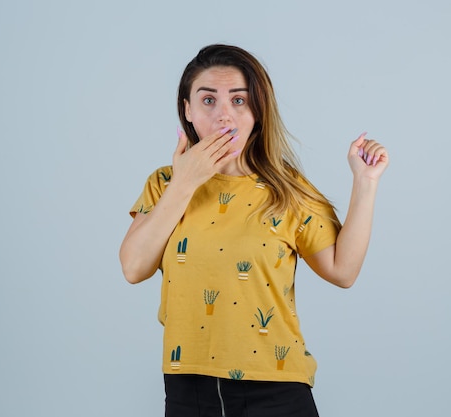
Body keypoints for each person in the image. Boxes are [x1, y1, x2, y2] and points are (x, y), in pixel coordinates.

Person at [119, 44, 389, 417]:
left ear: (257, 112)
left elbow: (343, 271)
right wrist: (184, 184)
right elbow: (133, 267)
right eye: (208, 100)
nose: (224, 116)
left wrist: (366, 182)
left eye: (239, 101)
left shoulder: (286, 188)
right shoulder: (163, 184)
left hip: (276, 389)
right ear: (188, 110)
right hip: (188, 388)